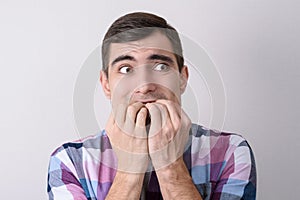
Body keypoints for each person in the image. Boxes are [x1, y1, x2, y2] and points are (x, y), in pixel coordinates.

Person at [47, 12, 256, 200]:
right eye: (126, 69)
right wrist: (130, 171)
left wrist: (171, 167)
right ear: (106, 84)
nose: (145, 85)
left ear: (182, 78)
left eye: (160, 66)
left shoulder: (230, 152)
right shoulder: (70, 161)